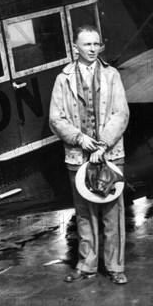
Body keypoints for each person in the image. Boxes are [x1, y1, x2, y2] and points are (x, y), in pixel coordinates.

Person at [49, 24, 130, 284]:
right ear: (75, 47)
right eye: (87, 44)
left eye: (96, 44)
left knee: (112, 213)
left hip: (110, 154)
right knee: (85, 213)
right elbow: (56, 118)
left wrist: (103, 145)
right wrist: (82, 140)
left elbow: (121, 113)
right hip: (77, 155)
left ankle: (115, 267)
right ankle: (87, 265)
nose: (93, 49)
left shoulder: (111, 75)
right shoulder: (63, 78)